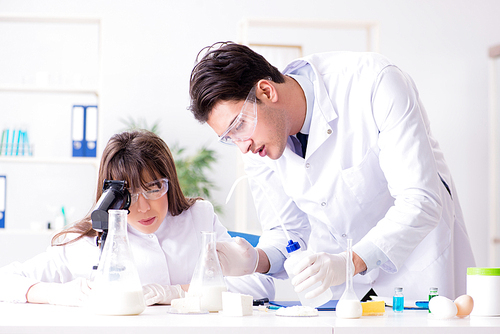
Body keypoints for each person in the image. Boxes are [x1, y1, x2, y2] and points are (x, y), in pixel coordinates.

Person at [189, 42, 475, 301]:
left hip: (419, 273)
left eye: (238, 126)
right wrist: (255, 260)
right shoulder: (259, 145)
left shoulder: (374, 82)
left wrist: (350, 262)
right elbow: (289, 232)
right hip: (345, 295)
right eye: (229, 137)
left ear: (266, 91)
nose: (242, 146)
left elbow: (421, 200)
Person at [0, 130, 274, 306]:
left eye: (154, 188)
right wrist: (56, 294)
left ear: (171, 183)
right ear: (110, 195)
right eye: (129, 193)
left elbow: (260, 284)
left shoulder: (199, 218)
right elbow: (6, 280)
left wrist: (179, 292)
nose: (143, 206)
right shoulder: (86, 242)